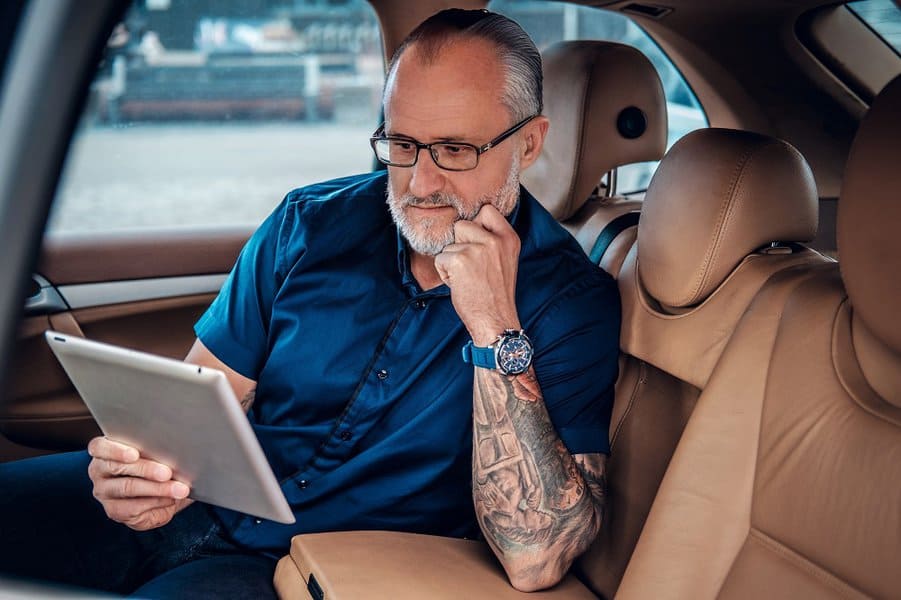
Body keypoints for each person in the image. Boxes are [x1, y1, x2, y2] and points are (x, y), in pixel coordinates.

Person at [0, 9, 619, 598]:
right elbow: (199, 404)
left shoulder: (572, 302)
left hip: (300, 572)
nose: (421, 182)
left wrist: (494, 326)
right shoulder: (309, 223)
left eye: (455, 150)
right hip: (198, 506)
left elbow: (537, 557)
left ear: (529, 143)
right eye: (401, 144)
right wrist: (139, 476)